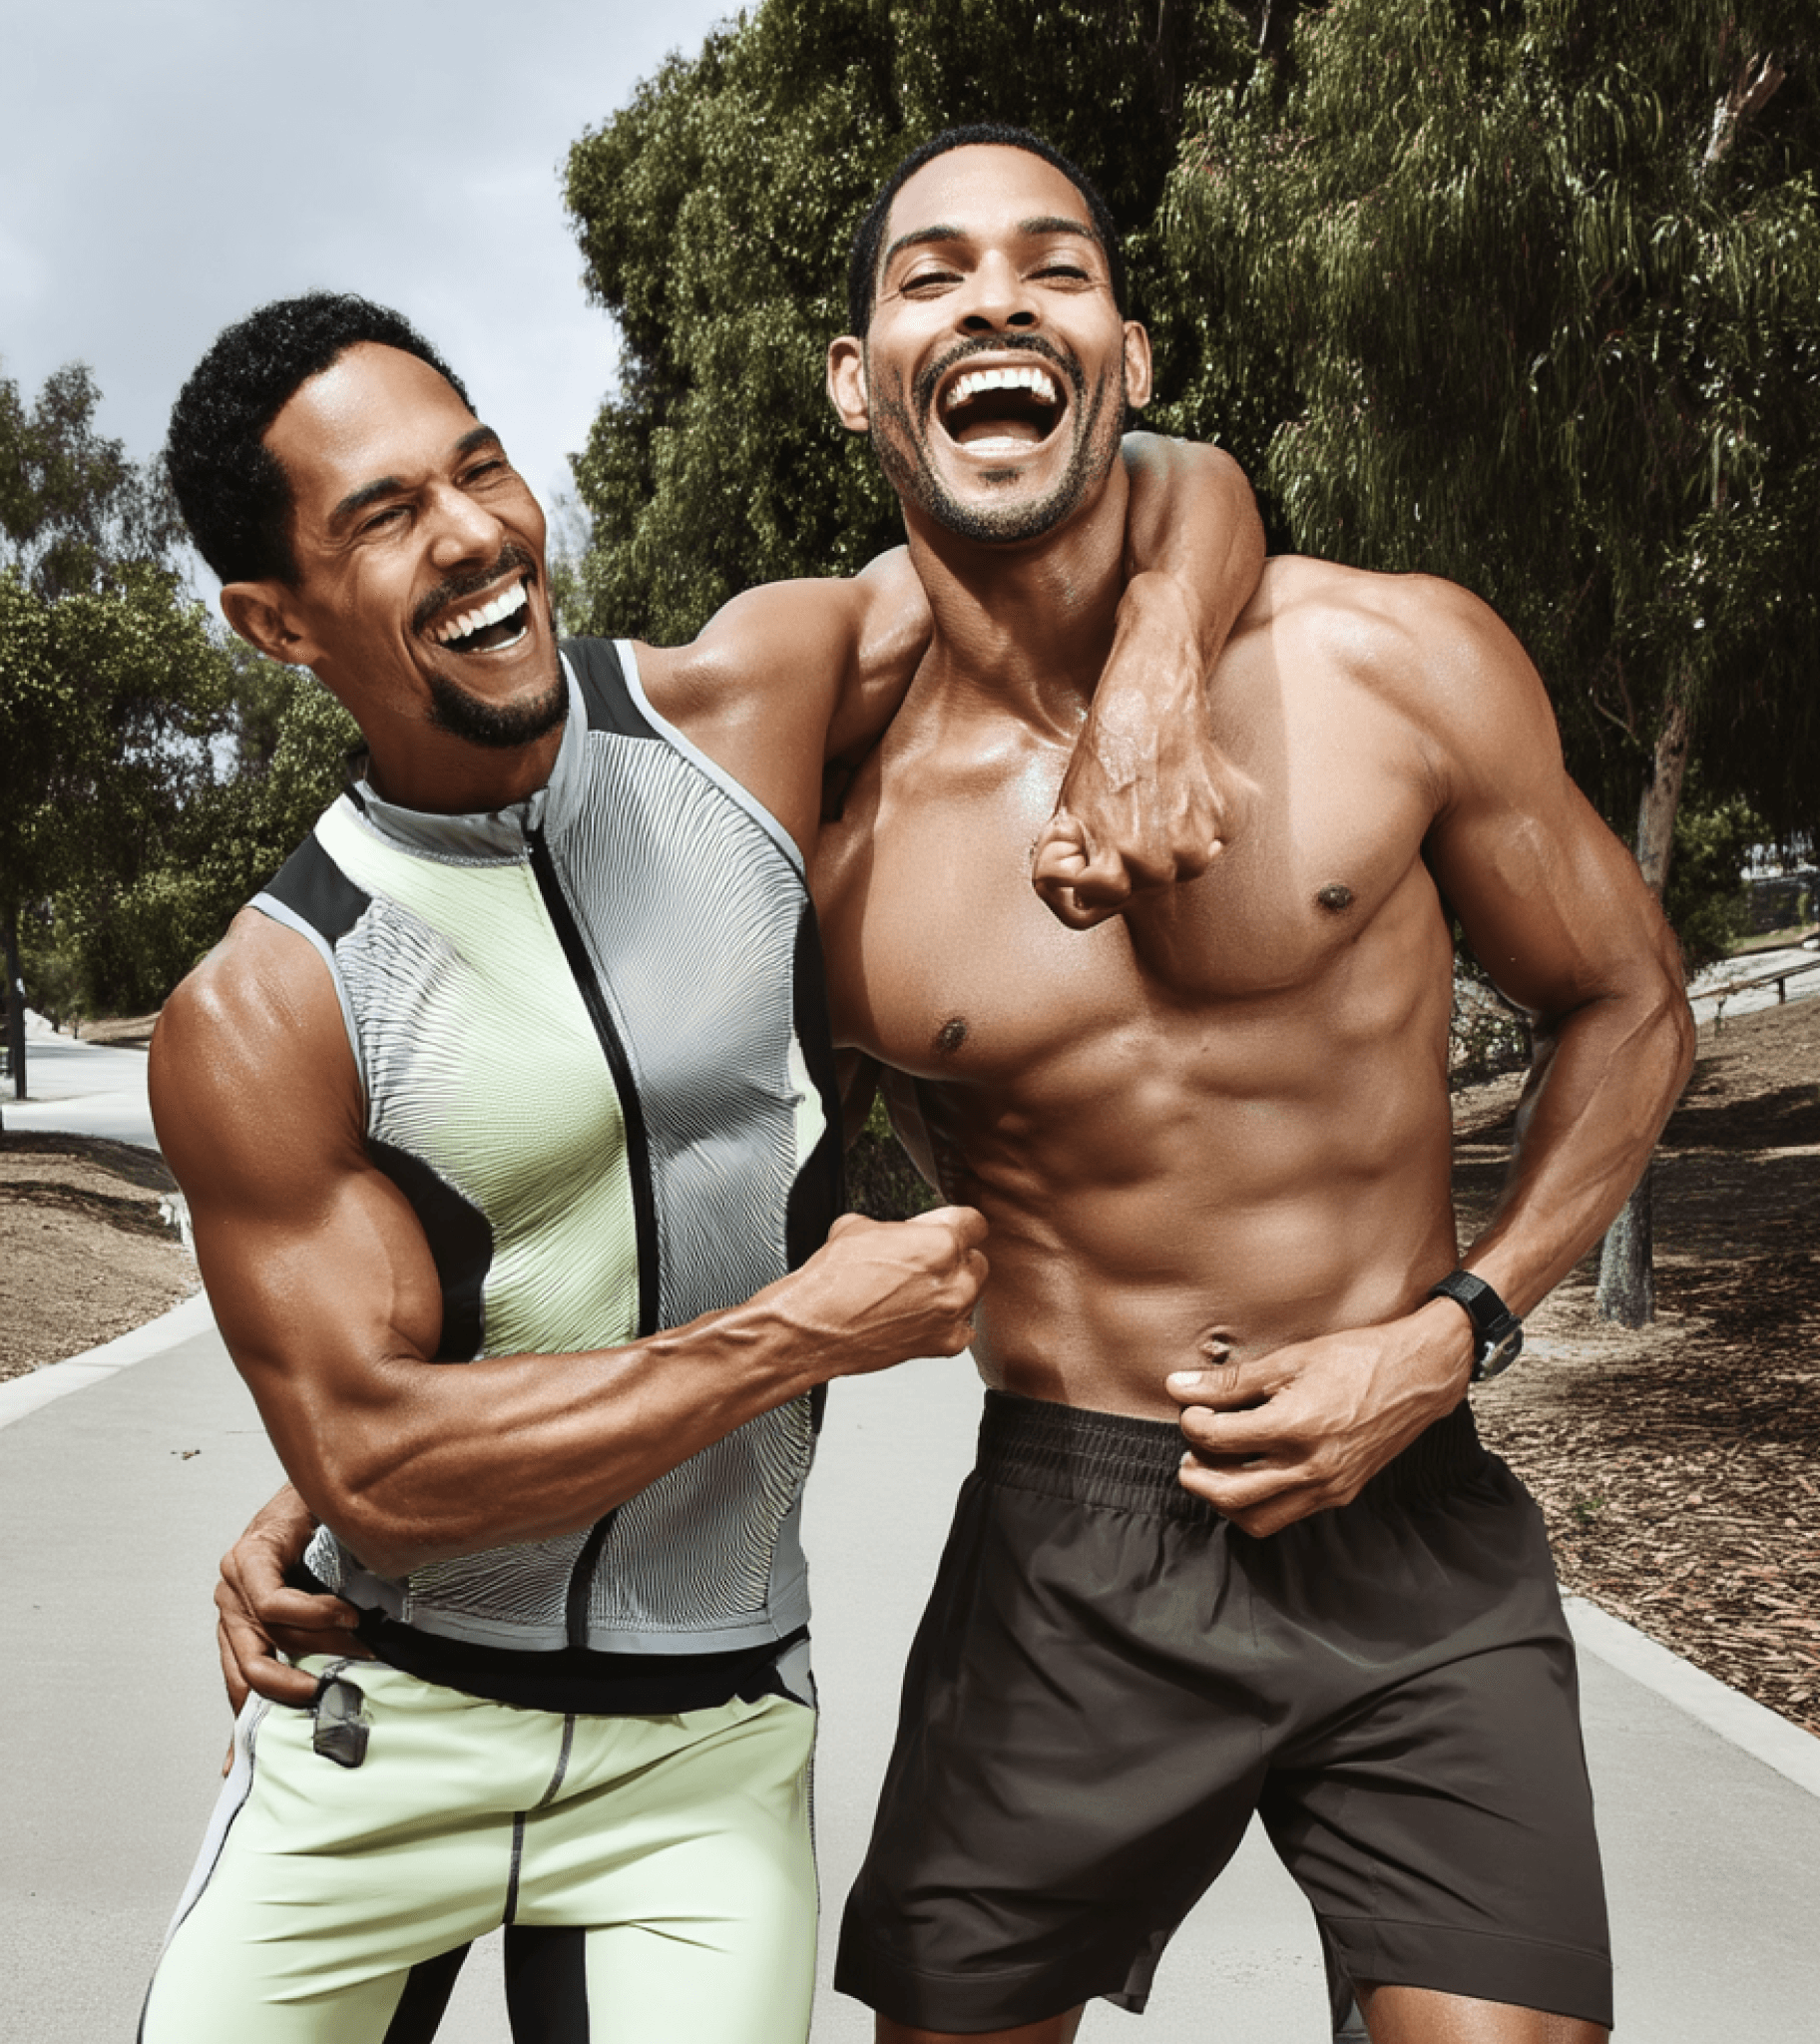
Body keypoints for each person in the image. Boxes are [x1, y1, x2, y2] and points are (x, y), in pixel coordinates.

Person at [141, 287, 1263, 2044]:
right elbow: (379, 1472)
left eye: (480, 468)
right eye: (384, 517)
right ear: (274, 622)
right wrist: (797, 1336)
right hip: (383, 1729)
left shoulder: (739, 712)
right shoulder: (269, 1002)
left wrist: (1155, 671)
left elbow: (1154, 481)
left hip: (704, 1747)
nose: (474, 538)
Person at [804, 130, 1691, 2044]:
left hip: (1409, 1496)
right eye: (931, 273)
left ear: (1130, 354)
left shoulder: (1394, 660)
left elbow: (1632, 1004)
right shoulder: (833, 824)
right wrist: (365, 1492)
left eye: (1054, 266)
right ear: (857, 376)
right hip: (1074, 1535)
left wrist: (1458, 1332)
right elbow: (672, 1183)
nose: (995, 301)